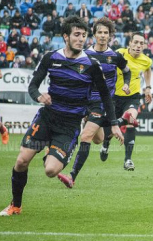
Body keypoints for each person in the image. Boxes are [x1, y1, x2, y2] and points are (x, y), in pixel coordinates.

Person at [0, 16, 124, 216]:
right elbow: (33, 85)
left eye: (83, 35)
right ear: (65, 36)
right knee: (21, 161)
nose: (81, 39)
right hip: (47, 118)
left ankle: (57, 151)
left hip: (69, 125)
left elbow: (105, 97)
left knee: (50, 171)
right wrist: (39, 96)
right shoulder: (51, 57)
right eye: (76, 35)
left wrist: (114, 124)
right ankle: (16, 205)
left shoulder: (91, 64)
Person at [57, 17, 137, 188]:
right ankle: (123, 120)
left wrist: (126, 84)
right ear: (93, 35)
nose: (102, 35)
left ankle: (72, 176)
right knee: (98, 139)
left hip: (102, 102)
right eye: (99, 32)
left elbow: (127, 72)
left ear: (110, 36)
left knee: (85, 136)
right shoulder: (84, 54)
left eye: (106, 33)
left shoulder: (115, 56)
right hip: (84, 102)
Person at [100, 32, 153, 171]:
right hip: (114, 97)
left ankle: (128, 160)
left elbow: (147, 70)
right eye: (135, 42)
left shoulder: (146, 60)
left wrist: (147, 88)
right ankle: (106, 144)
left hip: (133, 96)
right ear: (129, 43)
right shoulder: (119, 54)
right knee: (108, 133)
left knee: (131, 120)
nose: (138, 45)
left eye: (141, 43)